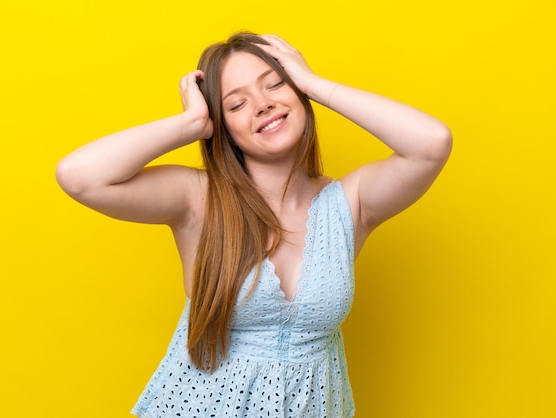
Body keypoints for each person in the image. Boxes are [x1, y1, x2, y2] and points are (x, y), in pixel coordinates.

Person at [56, 32, 452, 418]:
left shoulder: (351, 204)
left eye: (275, 84)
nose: (262, 105)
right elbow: (79, 175)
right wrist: (192, 123)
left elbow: (431, 143)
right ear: (221, 125)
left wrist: (315, 84)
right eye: (236, 104)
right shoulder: (200, 199)